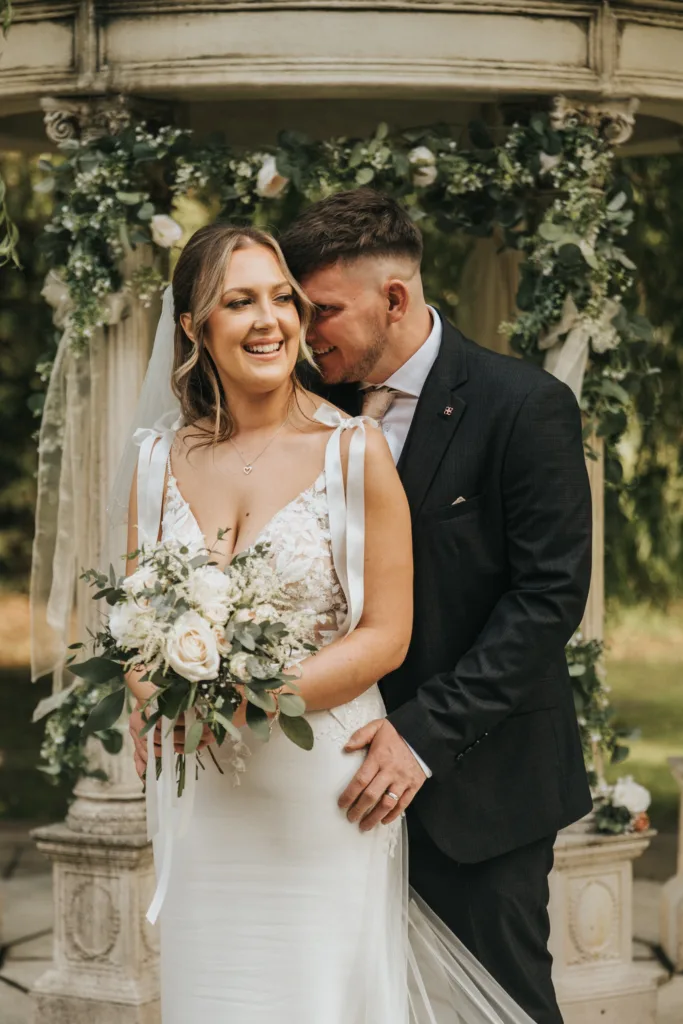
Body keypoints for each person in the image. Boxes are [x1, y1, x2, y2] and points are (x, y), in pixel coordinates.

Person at [122, 222, 537, 1023]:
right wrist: (148, 689)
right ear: (194, 326)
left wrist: (253, 696)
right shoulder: (155, 461)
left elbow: (386, 633)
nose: (271, 320)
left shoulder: (354, 452)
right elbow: (137, 617)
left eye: (283, 299)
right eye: (239, 301)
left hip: (323, 791)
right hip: (204, 801)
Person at [275, 188, 594, 1024]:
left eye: (322, 312)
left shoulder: (522, 407)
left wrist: (422, 735)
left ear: (394, 297)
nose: (306, 337)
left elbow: (546, 598)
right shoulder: (306, 414)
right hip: (330, 787)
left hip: (479, 787)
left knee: (495, 1008)